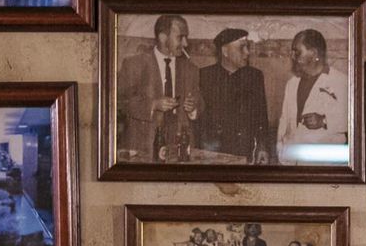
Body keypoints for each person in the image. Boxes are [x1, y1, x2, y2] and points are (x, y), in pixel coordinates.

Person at [116, 14, 200, 163]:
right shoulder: (134, 65)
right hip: (143, 149)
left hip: (180, 150)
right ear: (162, 37)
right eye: (180, 37)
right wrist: (153, 105)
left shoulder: (191, 69)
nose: (185, 43)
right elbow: (119, 101)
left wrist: (193, 108)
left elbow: (200, 101)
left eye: (186, 37)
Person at [196, 27, 270, 161]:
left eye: (247, 47)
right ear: (225, 51)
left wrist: (263, 146)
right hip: (212, 152)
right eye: (241, 48)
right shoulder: (204, 76)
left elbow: (261, 116)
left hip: (244, 150)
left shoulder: (254, 76)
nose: (247, 52)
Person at [277, 29, 347, 165]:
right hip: (291, 162)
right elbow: (284, 120)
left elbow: (356, 121)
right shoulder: (292, 83)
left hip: (323, 165)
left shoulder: (341, 81)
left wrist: (324, 121)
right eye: (292, 52)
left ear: (314, 53)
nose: (292, 56)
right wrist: (280, 151)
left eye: (297, 52)